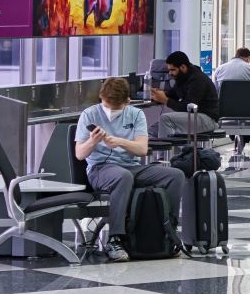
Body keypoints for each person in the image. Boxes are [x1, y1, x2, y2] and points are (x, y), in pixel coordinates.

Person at [77, 77, 190, 260]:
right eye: (107, 106)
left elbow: (142, 149)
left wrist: (119, 141)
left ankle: (169, 230)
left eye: (116, 108)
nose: (110, 111)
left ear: (127, 102)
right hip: (100, 169)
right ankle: (115, 238)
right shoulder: (89, 115)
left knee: (175, 175)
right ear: (101, 98)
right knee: (123, 177)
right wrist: (92, 141)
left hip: (132, 168)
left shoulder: (136, 115)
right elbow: (80, 154)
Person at [150, 51, 218, 139]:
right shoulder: (182, 77)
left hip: (207, 119)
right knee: (154, 129)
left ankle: (167, 152)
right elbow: (173, 94)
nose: (170, 73)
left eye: (173, 70)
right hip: (197, 116)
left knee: (165, 119)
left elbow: (189, 107)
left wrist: (165, 100)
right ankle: (178, 152)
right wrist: (160, 94)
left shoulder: (197, 80)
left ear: (183, 67)